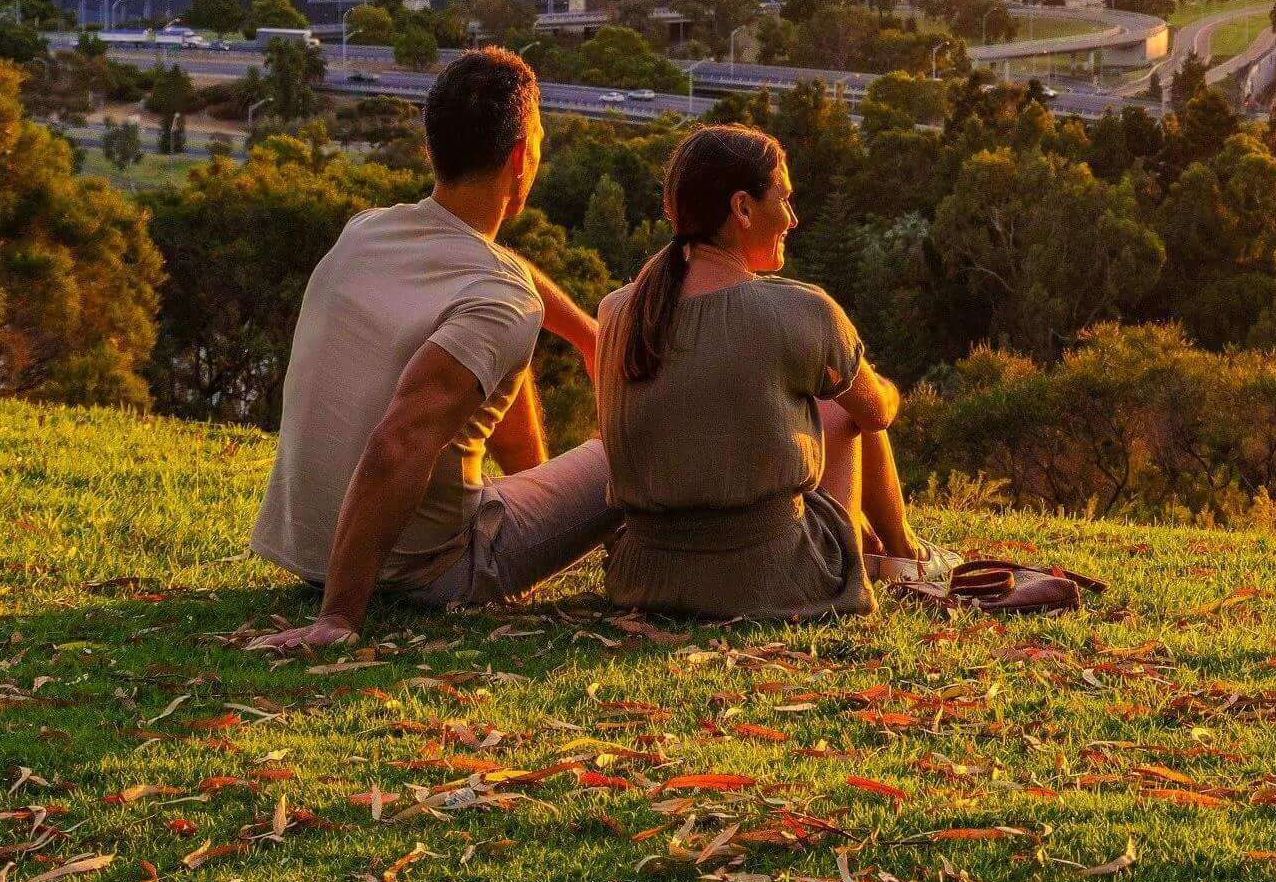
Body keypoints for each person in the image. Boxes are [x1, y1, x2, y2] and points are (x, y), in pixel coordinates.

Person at [247, 48, 617, 651]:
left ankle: (534, 487)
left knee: (482, 347)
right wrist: (338, 619)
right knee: (624, 450)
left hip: (304, 546)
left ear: (434, 147)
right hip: (423, 571)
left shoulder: (368, 230)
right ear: (522, 156)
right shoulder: (496, 300)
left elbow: (494, 273)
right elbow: (399, 443)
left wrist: (580, 331)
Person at [592, 124, 948, 620]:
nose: (794, 218)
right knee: (843, 414)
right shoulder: (799, 312)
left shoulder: (616, 312)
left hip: (641, 577)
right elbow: (878, 412)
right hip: (771, 579)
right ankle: (904, 554)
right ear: (742, 208)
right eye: (783, 198)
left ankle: (884, 549)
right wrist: (881, 384)